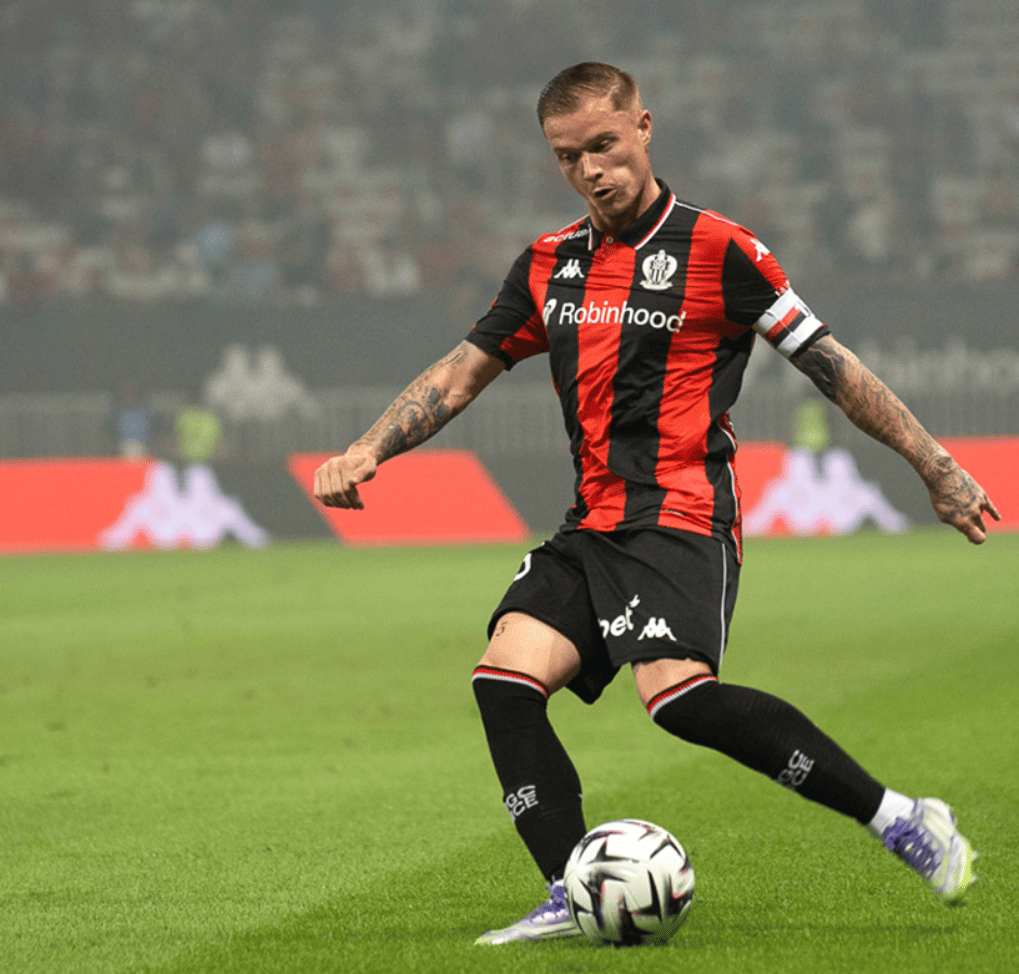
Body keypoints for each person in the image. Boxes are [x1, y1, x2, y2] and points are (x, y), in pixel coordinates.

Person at [312, 62, 998, 945]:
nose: (592, 169)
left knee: (676, 699)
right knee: (504, 682)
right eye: (569, 157)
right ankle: (570, 887)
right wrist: (369, 446)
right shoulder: (549, 264)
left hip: (680, 517)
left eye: (604, 144)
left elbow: (833, 367)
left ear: (643, 127)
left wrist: (935, 465)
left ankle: (903, 816)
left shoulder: (721, 251)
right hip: (591, 522)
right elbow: (462, 371)